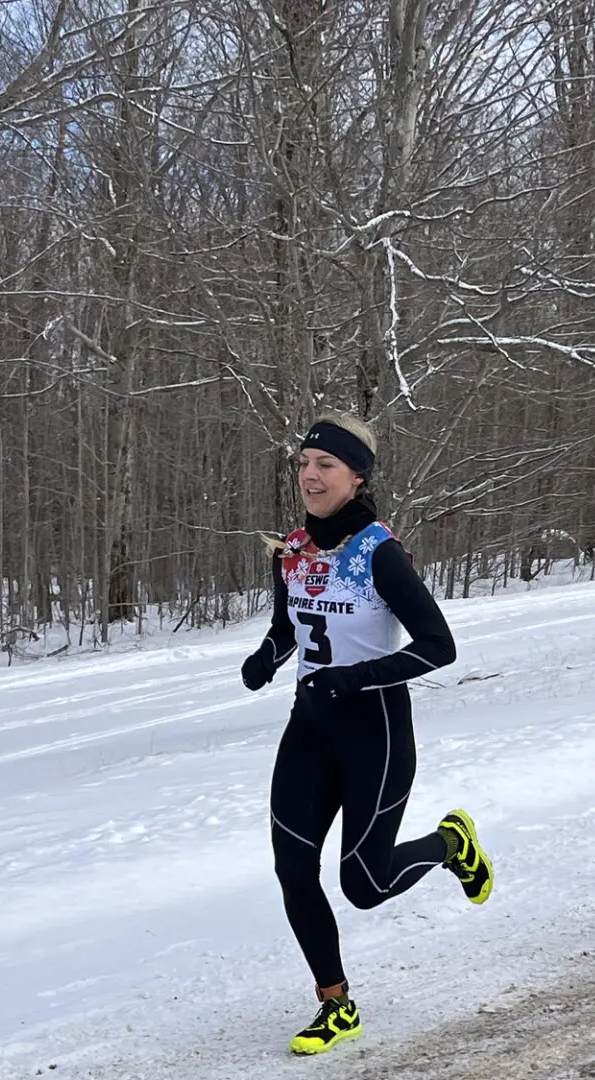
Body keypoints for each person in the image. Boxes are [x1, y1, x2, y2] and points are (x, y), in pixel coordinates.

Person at [240, 413, 493, 1055]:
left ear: (356, 477)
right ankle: (336, 1004)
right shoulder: (294, 551)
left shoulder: (378, 552)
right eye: (303, 464)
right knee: (293, 868)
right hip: (308, 728)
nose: (310, 475)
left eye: (325, 465)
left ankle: (449, 844)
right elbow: (290, 628)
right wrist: (266, 657)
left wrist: (355, 679)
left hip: (372, 733)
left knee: (365, 886)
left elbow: (440, 647)